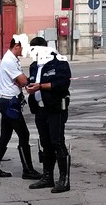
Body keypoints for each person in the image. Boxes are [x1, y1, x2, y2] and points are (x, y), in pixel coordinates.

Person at [0, 38, 42, 180]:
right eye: (23, 47)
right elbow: (23, 81)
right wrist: (27, 80)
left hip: (8, 101)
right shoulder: (9, 61)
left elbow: (20, 80)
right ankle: (27, 170)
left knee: (5, 136)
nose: (25, 51)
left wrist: (21, 80)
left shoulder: (12, 59)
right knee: (24, 134)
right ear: (16, 46)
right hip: (10, 103)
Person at [26, 36, 72, 193]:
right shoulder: (34, 66)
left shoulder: (58, 62)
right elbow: (32, 82)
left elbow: (62, 83)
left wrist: (41, 87)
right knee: (45, 143)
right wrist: (30, 89)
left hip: (56, 108)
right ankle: (47, 177)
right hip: (40, 109)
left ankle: (64, 179)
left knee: (57, 142)